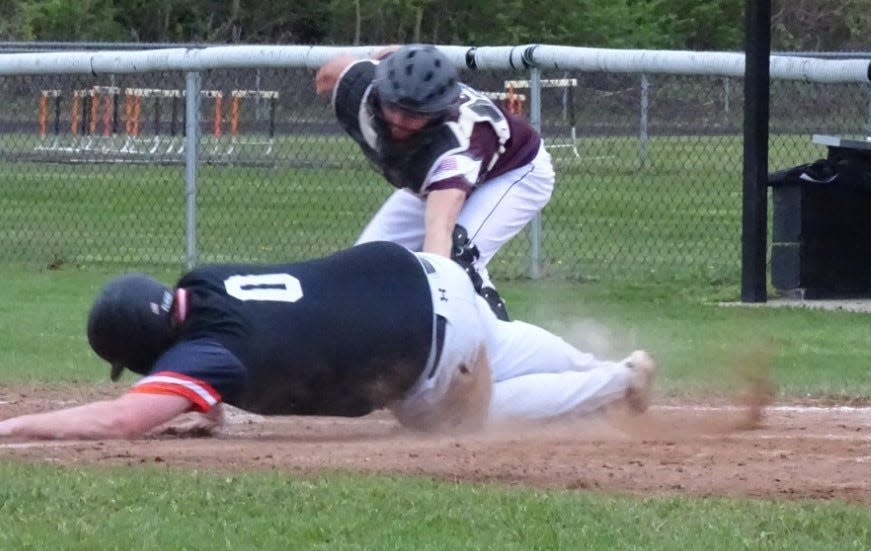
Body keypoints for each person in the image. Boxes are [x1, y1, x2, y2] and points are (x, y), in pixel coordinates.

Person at [0, 241, 655, 440]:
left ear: (144, 346)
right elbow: (270, 335)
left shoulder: (205, 351)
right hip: (428, 276)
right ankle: (591, 364)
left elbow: (123, 416)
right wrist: (207, 411)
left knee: (462, 417)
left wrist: (15, 424)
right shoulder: (207, 282)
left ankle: (615, 380)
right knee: (496, 340)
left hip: (426, 352)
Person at [315, 44, 556, 321]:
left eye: (415, 114)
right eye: (394, 105)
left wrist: (440, 306)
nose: (399, 120)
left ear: (437, 111)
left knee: (456, 260)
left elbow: (439, 230)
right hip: (433, 178)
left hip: (515, 172)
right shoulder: (362, 89)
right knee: (363, 268)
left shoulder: (454, 146)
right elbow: (338, 69)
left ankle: (501, 351)